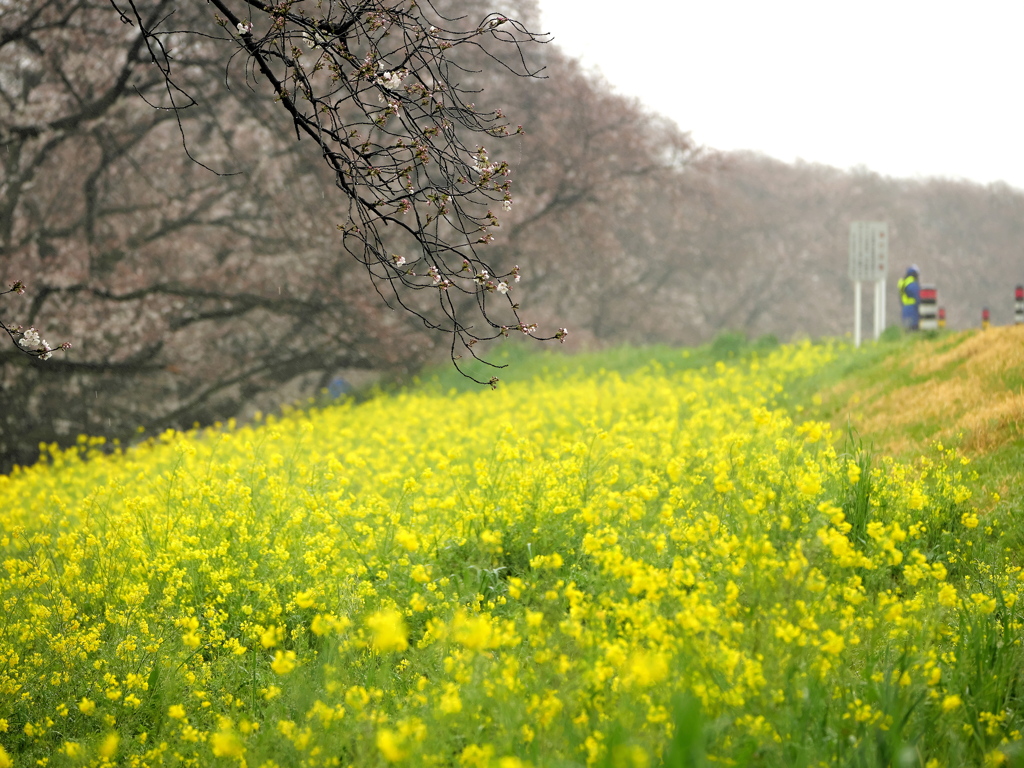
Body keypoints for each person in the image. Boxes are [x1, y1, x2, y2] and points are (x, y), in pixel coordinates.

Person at [898, 265, 921, 331]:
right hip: (912, 309)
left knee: (907, 329)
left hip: (905, 309)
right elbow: (917, 296)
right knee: (914, 330)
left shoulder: (903, 282)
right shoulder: (912, 283)